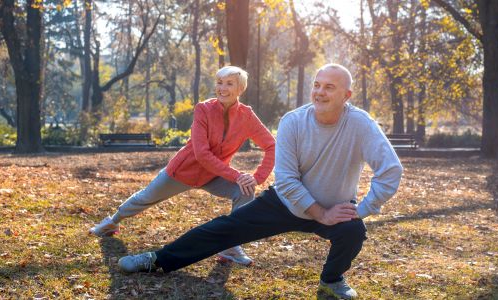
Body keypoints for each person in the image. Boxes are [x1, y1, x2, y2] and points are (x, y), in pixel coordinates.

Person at [117, 64, 403, 299]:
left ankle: (332, 279)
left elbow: (390, 170)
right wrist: (321, 214)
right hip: (285, 203)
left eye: (329, 87)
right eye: (317, 84)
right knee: (223, 229)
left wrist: (361, 210)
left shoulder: (361, 124)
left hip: (335, 206)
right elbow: (288, 180)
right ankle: (157, 259)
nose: (320, 91)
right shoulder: (293, 122)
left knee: (353, 232)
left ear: (347, 95)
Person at [89, 66, 276, 266]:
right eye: (219, 82)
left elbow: (271, 145)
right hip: (183, 172)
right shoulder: (203, 109)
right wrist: (236, 174)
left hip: (213, 176)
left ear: (240, 89)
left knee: (245, 189)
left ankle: (230, 245)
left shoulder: (246, 116)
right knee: (145, 197)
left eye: (229, 84)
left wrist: (256, 178)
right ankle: (112, 221)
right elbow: (202, 154)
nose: (222, 88)